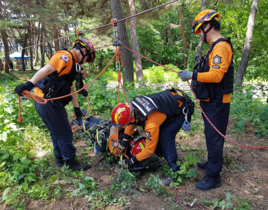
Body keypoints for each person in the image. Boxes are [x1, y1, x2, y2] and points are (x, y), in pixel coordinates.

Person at [15, 38, 96, 171]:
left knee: (56, 131)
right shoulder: (65, 57)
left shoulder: (73, 66)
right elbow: (46, 69)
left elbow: (71, 89)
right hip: (47, 102)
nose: (86, 62)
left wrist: (76, 109)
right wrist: (29, 84)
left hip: (47, 102)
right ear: (83, 51)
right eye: (87, 58)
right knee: (64, 133)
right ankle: (70, 163)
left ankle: (59, 159)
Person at [178, 9, 234, 191]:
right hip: (211, 100)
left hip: (218, 102)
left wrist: (191, 75)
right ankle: (212, 163)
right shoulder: (214, 47)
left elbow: (216, 76)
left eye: (200, 30)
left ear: (208, 25)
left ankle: (213, 176)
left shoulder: (221, 47)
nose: (200, 35)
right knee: (211, 136)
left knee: (214, 138)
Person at [110, 88, 194, 186]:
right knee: (158, 139)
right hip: (170, 102)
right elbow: (131, 122)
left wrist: (131, 161)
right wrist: (125, 140)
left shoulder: (151, 124)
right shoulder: (134, 107)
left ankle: (174, 171)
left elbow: (149, 150)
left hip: (181, 109)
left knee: (166, 137)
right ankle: (162, 153)